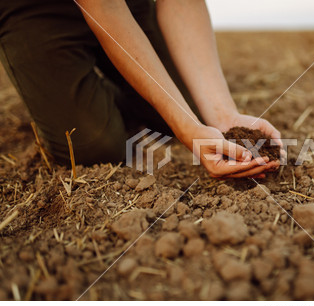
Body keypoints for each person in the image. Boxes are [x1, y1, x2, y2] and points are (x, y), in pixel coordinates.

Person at [0, 0, 281, 178]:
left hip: (128, 4)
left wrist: (223, 116)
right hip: (36, 10)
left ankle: (124, 93)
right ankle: (96, 94)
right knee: (94, 146)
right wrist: (186, 127)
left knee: (194, 111)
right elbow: (103, 8)